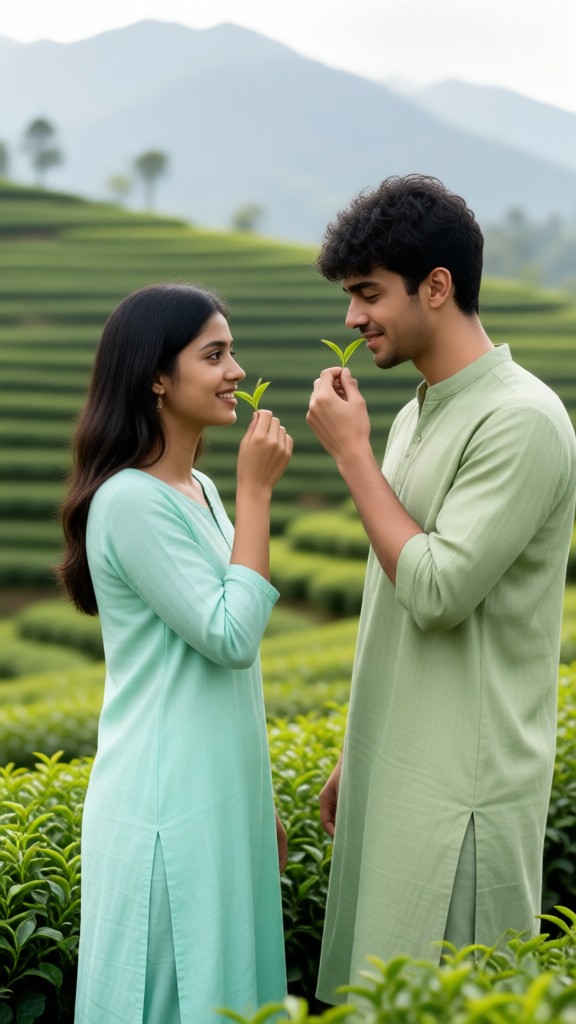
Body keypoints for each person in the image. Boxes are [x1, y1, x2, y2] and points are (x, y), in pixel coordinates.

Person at [306, 174, 576, 1005]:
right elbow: (394, 603)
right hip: (400, 768)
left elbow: (436, 590)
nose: (352, 319)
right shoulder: (417, 411)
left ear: (437, 286)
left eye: (367, 294)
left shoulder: (520, 419)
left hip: (462, 793)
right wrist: (363, 746)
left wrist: (351, 458)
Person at [57, 282, 293, 1024]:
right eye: (214, 355)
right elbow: (231, 635)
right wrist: (258, 494)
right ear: (157, 375)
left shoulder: (200, 489)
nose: (236, 372)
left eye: (232, 352)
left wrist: (258, 799)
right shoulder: (129, 501)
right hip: (166, 800)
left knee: (228, 991)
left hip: (219, 795)